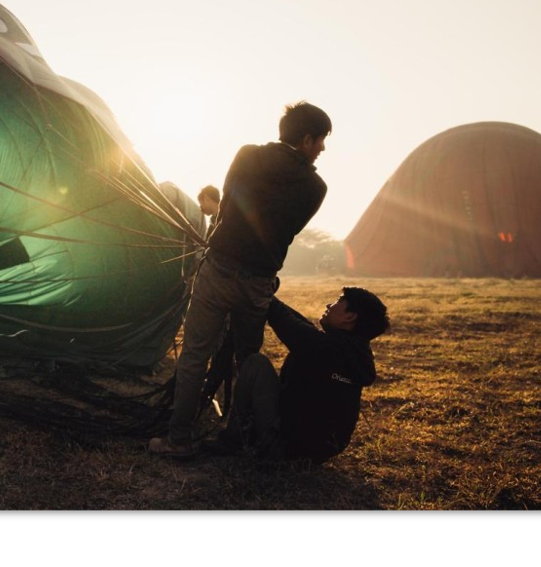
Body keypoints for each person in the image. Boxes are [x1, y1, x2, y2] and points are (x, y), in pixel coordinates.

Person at [150, 101, 331, 457]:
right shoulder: (316, 187)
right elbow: (288, 229)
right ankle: (239, 436)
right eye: (322, 140)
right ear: (307, 139)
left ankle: (178, 439)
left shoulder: (247, 155)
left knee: (194, 354)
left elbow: (229, 202)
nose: (323, 148)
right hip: (259, 281)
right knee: (248, 359)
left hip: (219, 269)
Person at [204, 287, 390, 462]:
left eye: (338, 301)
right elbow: (302, 327)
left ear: (349, 317)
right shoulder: (353, 352)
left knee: (256, 364)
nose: (329, 305)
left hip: (284, 449)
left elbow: (287, 323)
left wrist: (259, 289)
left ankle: (232, 441)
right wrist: (269, 293)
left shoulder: (325, 348)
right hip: (318, 453)